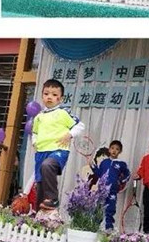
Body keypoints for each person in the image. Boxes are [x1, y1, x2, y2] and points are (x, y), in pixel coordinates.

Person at [31, 79, 85, 212]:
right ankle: (39, 215)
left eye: (54, 95)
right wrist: (34, 142)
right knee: (40, 183)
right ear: (42, 96)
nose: (49, 97)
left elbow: (80, 125)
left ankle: (53, 198)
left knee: (48, 165)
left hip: (58, 150)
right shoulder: (39, 117)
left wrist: (70, 134)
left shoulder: (63, 112)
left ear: (61, 99)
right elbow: (35, 132)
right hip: (41, 153)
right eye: (46, 94)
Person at [92, 140, 130, 230]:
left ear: (120, 151)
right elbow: (99, 173)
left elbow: (127, 174)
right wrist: (93, 167)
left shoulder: (122, 164)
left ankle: (109, 228)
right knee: (98, 208)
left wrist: (119, 181)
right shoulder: (104, 162)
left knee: (110, 209)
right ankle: (94, 227)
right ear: (109, 149)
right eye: (112, 148)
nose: (114, 150)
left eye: (117, 149)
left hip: (112, 191)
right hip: (101, 190)